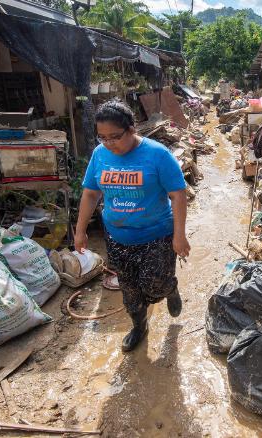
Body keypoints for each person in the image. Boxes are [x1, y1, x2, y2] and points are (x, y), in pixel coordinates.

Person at [75, 101, 190, 352]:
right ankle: (139, 326)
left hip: (156, 234)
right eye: (102, 137)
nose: (108, 143)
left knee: (154, 284)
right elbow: (90, 194)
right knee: (129, 290)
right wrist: (80, 230)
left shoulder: (157, 154)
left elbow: (178, 195)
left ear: (131, 129)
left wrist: (179, 236)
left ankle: (169, 288)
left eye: (115, 137)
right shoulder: (99, 154)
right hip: (117, 237)